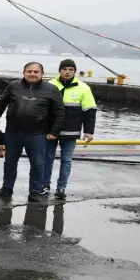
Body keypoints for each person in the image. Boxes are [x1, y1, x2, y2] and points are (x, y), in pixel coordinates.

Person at [0, 62, 64, 202]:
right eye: (29, 71)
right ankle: (7, 188)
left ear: (42, 74)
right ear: (24, 73)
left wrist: (54, 131)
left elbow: (59, 112)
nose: (32, 74)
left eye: (36, 72)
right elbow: (1, 105)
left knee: (37, 164)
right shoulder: (13, 86)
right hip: (13, 132)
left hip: (37, 134)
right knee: (10, 162)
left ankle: (35, 191)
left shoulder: (52, 89)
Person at [43, 59, 96, 200]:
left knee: (66, 160)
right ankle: (44, 185)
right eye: (64, 69)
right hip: (50, 131)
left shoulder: (83, 88)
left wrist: (89, 131)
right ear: (59, 70)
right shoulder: (49, 85)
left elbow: (89, 111)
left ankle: (61, 187)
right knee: (47, 158)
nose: (67, 72)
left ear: (75, 71)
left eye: (71, 69)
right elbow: (41, 108)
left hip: (71, 131)